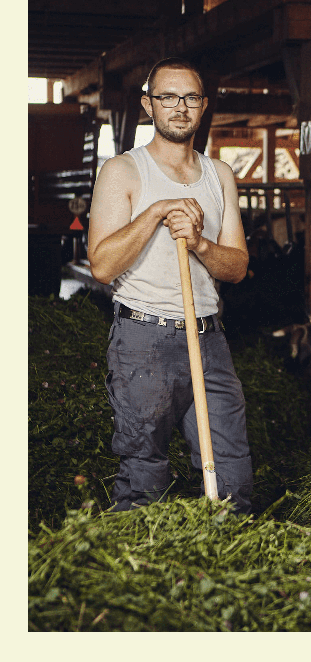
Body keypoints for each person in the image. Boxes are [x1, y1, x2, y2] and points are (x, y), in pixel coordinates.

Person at [86, 57, 254, 513]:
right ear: (148, 105)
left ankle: (225, 574)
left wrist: (198, 242)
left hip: (209, 337)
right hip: (143, 339)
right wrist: (156, 212)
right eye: (167, 97)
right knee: (144, 471)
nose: (179, 108)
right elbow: (101, 266)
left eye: (190, 98)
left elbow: (237, 267)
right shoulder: (123, 170)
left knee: (232, 472)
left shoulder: (220, 176)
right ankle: (136, 572)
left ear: (203, 106)